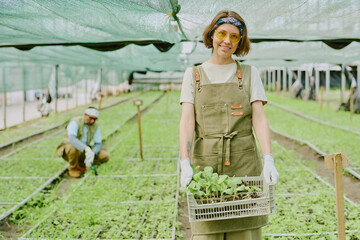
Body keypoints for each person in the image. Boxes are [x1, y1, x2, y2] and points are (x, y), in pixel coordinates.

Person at [179, 10, 279, 240]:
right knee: (206, 232)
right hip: (206, 166)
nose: (227, 41)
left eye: (234, 36)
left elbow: (259, 117)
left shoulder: (249, 74)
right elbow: (187, 120)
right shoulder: (193, 75)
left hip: (243, 165)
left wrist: (269, 158)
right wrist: (185, 160)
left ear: (240, 41)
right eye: (222, 33)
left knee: (244, 232)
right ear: (212, 35)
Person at [56, 107, 110, 178]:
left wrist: (93, 153)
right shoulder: (75, 122)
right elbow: (72, 140)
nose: (92, 121)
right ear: (85, 115)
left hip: (84, 152)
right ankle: (73, 168)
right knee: (72, 147)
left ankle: (83, 165)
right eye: (90, 118)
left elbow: (98, 143)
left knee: (105, 155)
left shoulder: (95, 126)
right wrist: (85, 148)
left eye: (94, 119)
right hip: (71, 150)